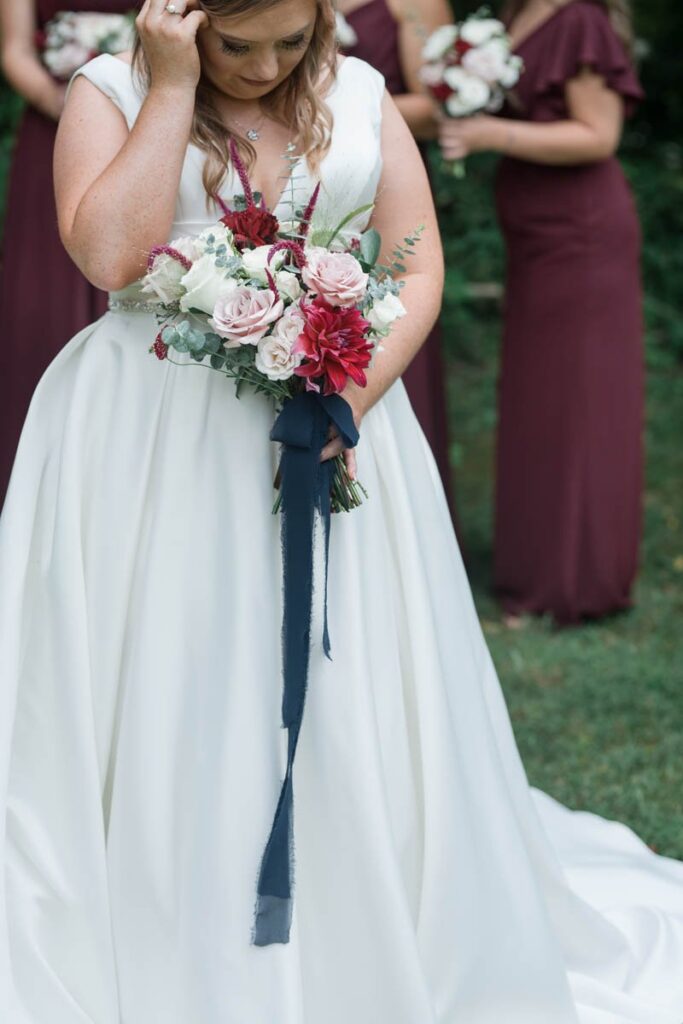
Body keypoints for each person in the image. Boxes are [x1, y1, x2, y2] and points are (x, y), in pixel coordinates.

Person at [1, 0, 683, 1019]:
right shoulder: (112, 92)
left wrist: (347, 402)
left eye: (288, 39)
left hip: (331, 417)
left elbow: (416, 264)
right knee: (164, 664)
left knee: (337, 682)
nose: (265, 65)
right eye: (236, 44)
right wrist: (175, 83)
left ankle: (352, 900)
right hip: (145, 441)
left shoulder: (359, 93)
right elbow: (108, 256)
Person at [439, 0, 644, 625]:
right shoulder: (515, 16)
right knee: (537, 400)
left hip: (581, 233)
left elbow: (598, 134)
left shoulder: (579, 19)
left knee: (576, 403)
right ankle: (531, 565)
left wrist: (486, 134)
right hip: (536, 237)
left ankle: (573, 582)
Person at [0, 0, 133, 506]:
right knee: (42, 300)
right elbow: (14, 49)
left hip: (140, 122)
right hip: (55, 124)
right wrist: (76, 105)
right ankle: (39, 477)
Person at [338, 0, 455, 502]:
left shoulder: (414, 4)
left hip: (377, 186)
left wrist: (337, 100)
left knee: (388, 324)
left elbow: (435, 105)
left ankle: (400, 500)